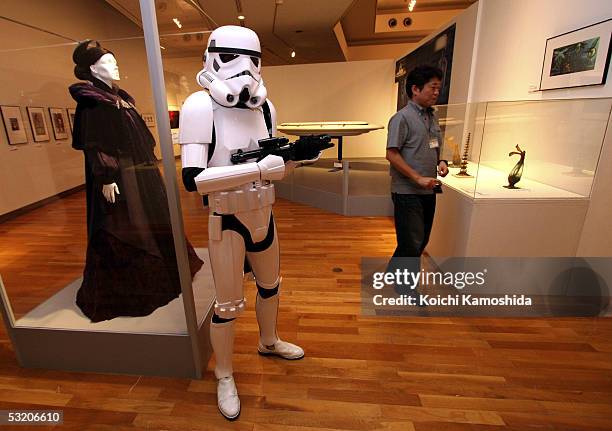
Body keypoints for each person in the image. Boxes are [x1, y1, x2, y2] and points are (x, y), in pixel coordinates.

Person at [178, 26, 312, 421]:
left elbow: (275, 173)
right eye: (236, 58)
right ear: (213, 59)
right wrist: (257, 166)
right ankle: (224, 375)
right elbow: (194, 180)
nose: (247, 71)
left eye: (255, 60)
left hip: (263, 214)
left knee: (271, 287)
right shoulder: (200, 107)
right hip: (226, 218)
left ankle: (268, 341)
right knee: (228, 304)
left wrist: (294, 158)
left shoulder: (265, 109)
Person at [69, 40, 203, 322]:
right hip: (119, 175)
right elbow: (95, 145)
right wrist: (105, 177)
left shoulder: (119, 98)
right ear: (93, 68)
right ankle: (134, 290)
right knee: (128, 225)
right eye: (108, 62)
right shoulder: (92, 103)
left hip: (140, 172)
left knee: (153, 218)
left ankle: (169, 273)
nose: (115, 65)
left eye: (115, 61)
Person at [386, 65, 449, 265]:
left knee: (419, 240)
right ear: (415, 89)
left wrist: (441, 161)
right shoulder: (401, 118)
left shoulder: (432, 116)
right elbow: (391, 154)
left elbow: (434, 144)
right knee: (412, 242)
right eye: (433, 87)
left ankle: (394, 272)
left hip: (428, 190)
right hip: (407, 192)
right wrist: (417, 178)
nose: (437, 92)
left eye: (438, 87)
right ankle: (405, 289)